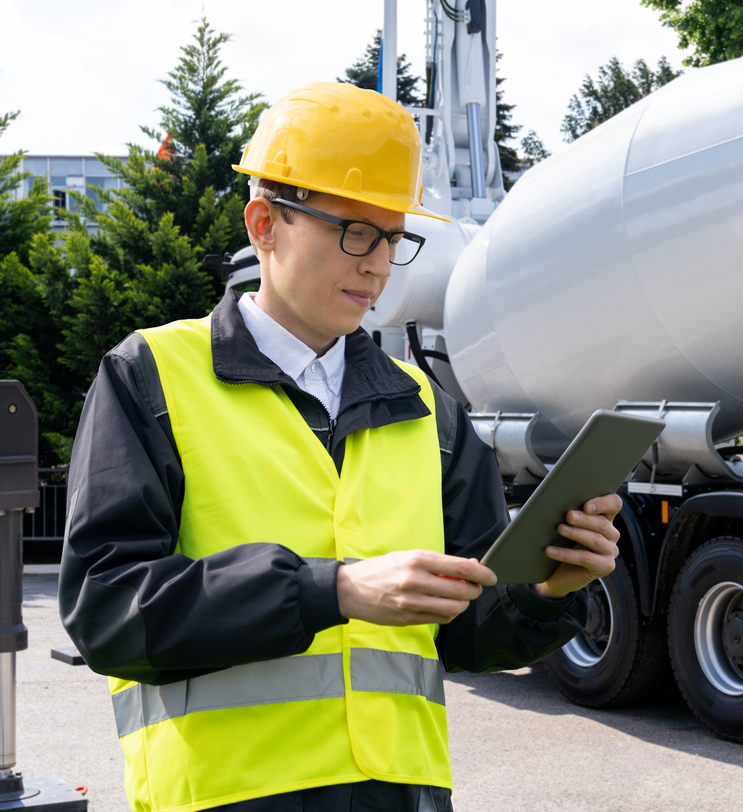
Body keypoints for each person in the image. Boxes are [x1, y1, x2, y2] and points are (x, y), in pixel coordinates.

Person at [58, 81, 622, 812]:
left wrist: (549, 591)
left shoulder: (429, 410)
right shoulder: (150, 376)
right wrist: (333, 590)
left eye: (393, 239)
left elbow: (470, 635)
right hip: (226, 799)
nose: (379, 265)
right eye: (356, 232)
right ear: (265, 224)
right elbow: (107, 610)